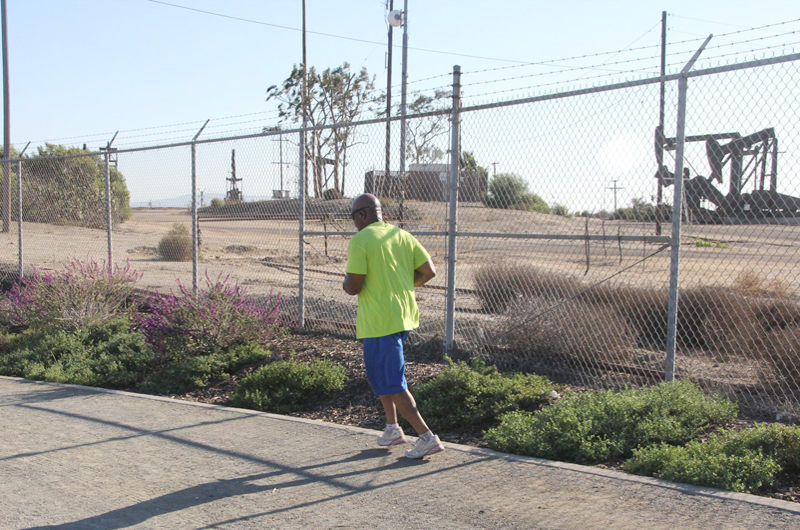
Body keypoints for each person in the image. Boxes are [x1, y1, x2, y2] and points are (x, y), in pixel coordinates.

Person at [342, 193, 444, 459]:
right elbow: (429, 271)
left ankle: (426, 437)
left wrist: (345, 284)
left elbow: (353, 287)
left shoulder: (361, 240)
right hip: (402, 316)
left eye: (353, 217)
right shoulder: (401, 235)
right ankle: (392, 428)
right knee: (382, 375)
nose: (353, 222)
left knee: (392, 381)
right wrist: (402, 285)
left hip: (380, 321)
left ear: (362, 215)